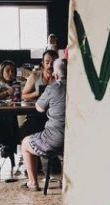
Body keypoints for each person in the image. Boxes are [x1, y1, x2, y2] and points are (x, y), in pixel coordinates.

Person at [21, 58, 67, 190]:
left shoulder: (52, 88)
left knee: (25, 143)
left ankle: (33, 183)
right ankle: (65, 181)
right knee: (66, 148)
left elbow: (39, 108)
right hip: (74, 139)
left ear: (56, 75)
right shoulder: (77, 89)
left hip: (54, 140)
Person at [20, 49, 58, 137]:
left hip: (53, 118)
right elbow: (23, 96)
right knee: (22, 132)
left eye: (53, 63)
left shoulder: (60, 77)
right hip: (35, 116)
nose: (50, 65)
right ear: (42, 63)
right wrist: (37, 93)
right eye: (47, 62)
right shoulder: (35, 76)